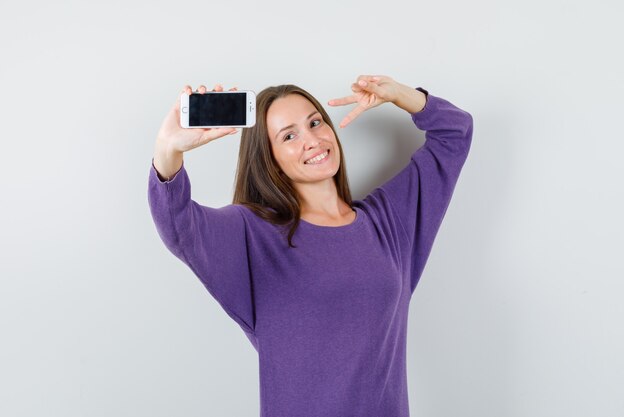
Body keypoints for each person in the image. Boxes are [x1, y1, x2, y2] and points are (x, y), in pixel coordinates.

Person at [148, 75, 473, 417]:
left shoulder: (388, 221)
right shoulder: (253, 233)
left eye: (315, 122)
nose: (313, 140)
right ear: (269, 158)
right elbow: (177, 225)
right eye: (289, 135)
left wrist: (399, 94)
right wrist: (167, 150)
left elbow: (456, 132)